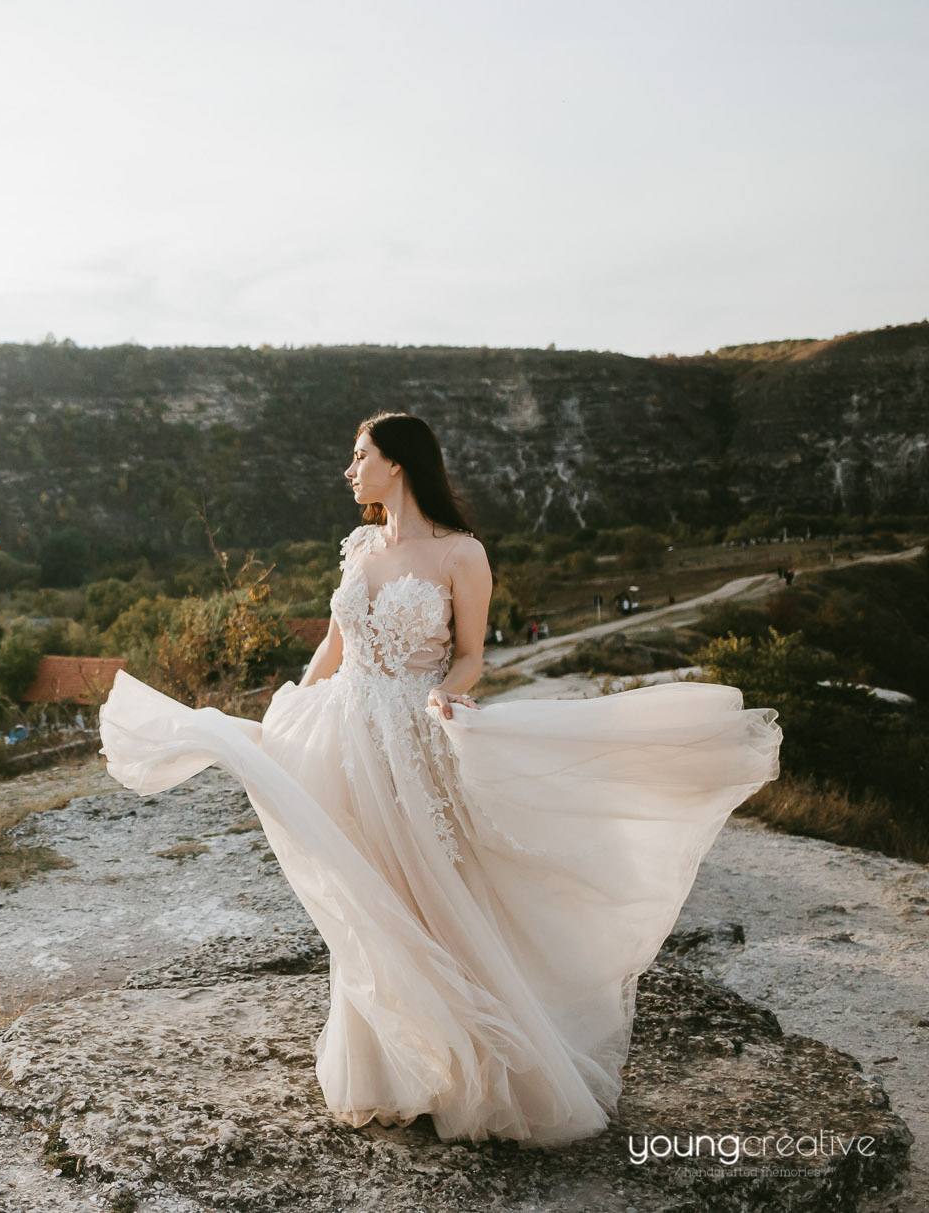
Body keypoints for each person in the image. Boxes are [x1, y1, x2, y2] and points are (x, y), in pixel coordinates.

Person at [96, 411, 780, 1148]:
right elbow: (332, 643)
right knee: (364, 889)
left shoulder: (462, 554)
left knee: (427, 894)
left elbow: (472, 654)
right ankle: (391, 1065)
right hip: (343, 728)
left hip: (412, 737)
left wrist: (446, 693)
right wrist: (287, 706)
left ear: (399, 463)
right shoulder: (358, 546)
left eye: (360, 455)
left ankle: (465, 1064)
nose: (349, 469)